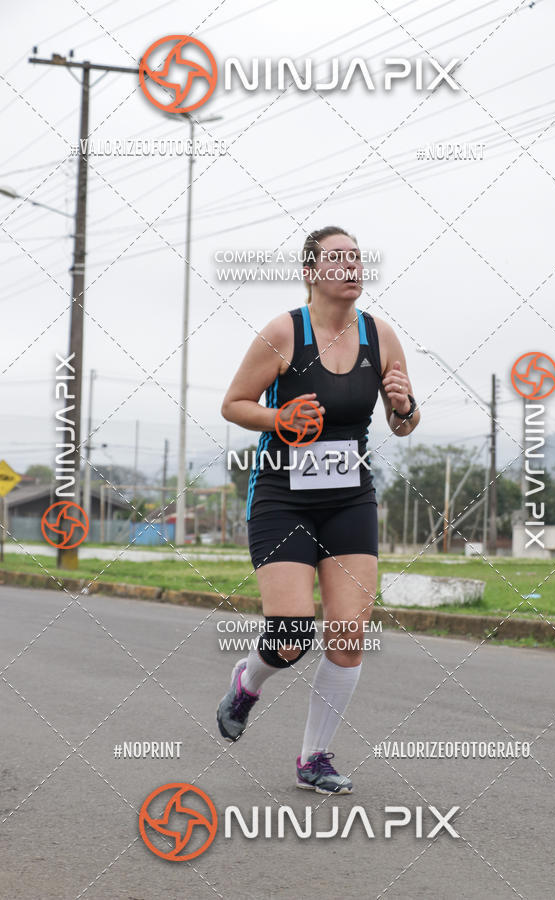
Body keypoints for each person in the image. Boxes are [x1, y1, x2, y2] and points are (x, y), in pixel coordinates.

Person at [217, 225, 420, 793]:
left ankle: (315, 758)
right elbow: (234, 404)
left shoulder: (380, 336)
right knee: (290, 634)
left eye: (357, 257)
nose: (351, 266)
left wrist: (404, 407)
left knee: (349, 633)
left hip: (350, 498)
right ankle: (247, 682)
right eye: (338, 258)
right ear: (311, 272)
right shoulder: (285, 332)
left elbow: (404, 424)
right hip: (282, 497)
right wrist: (279, 420)